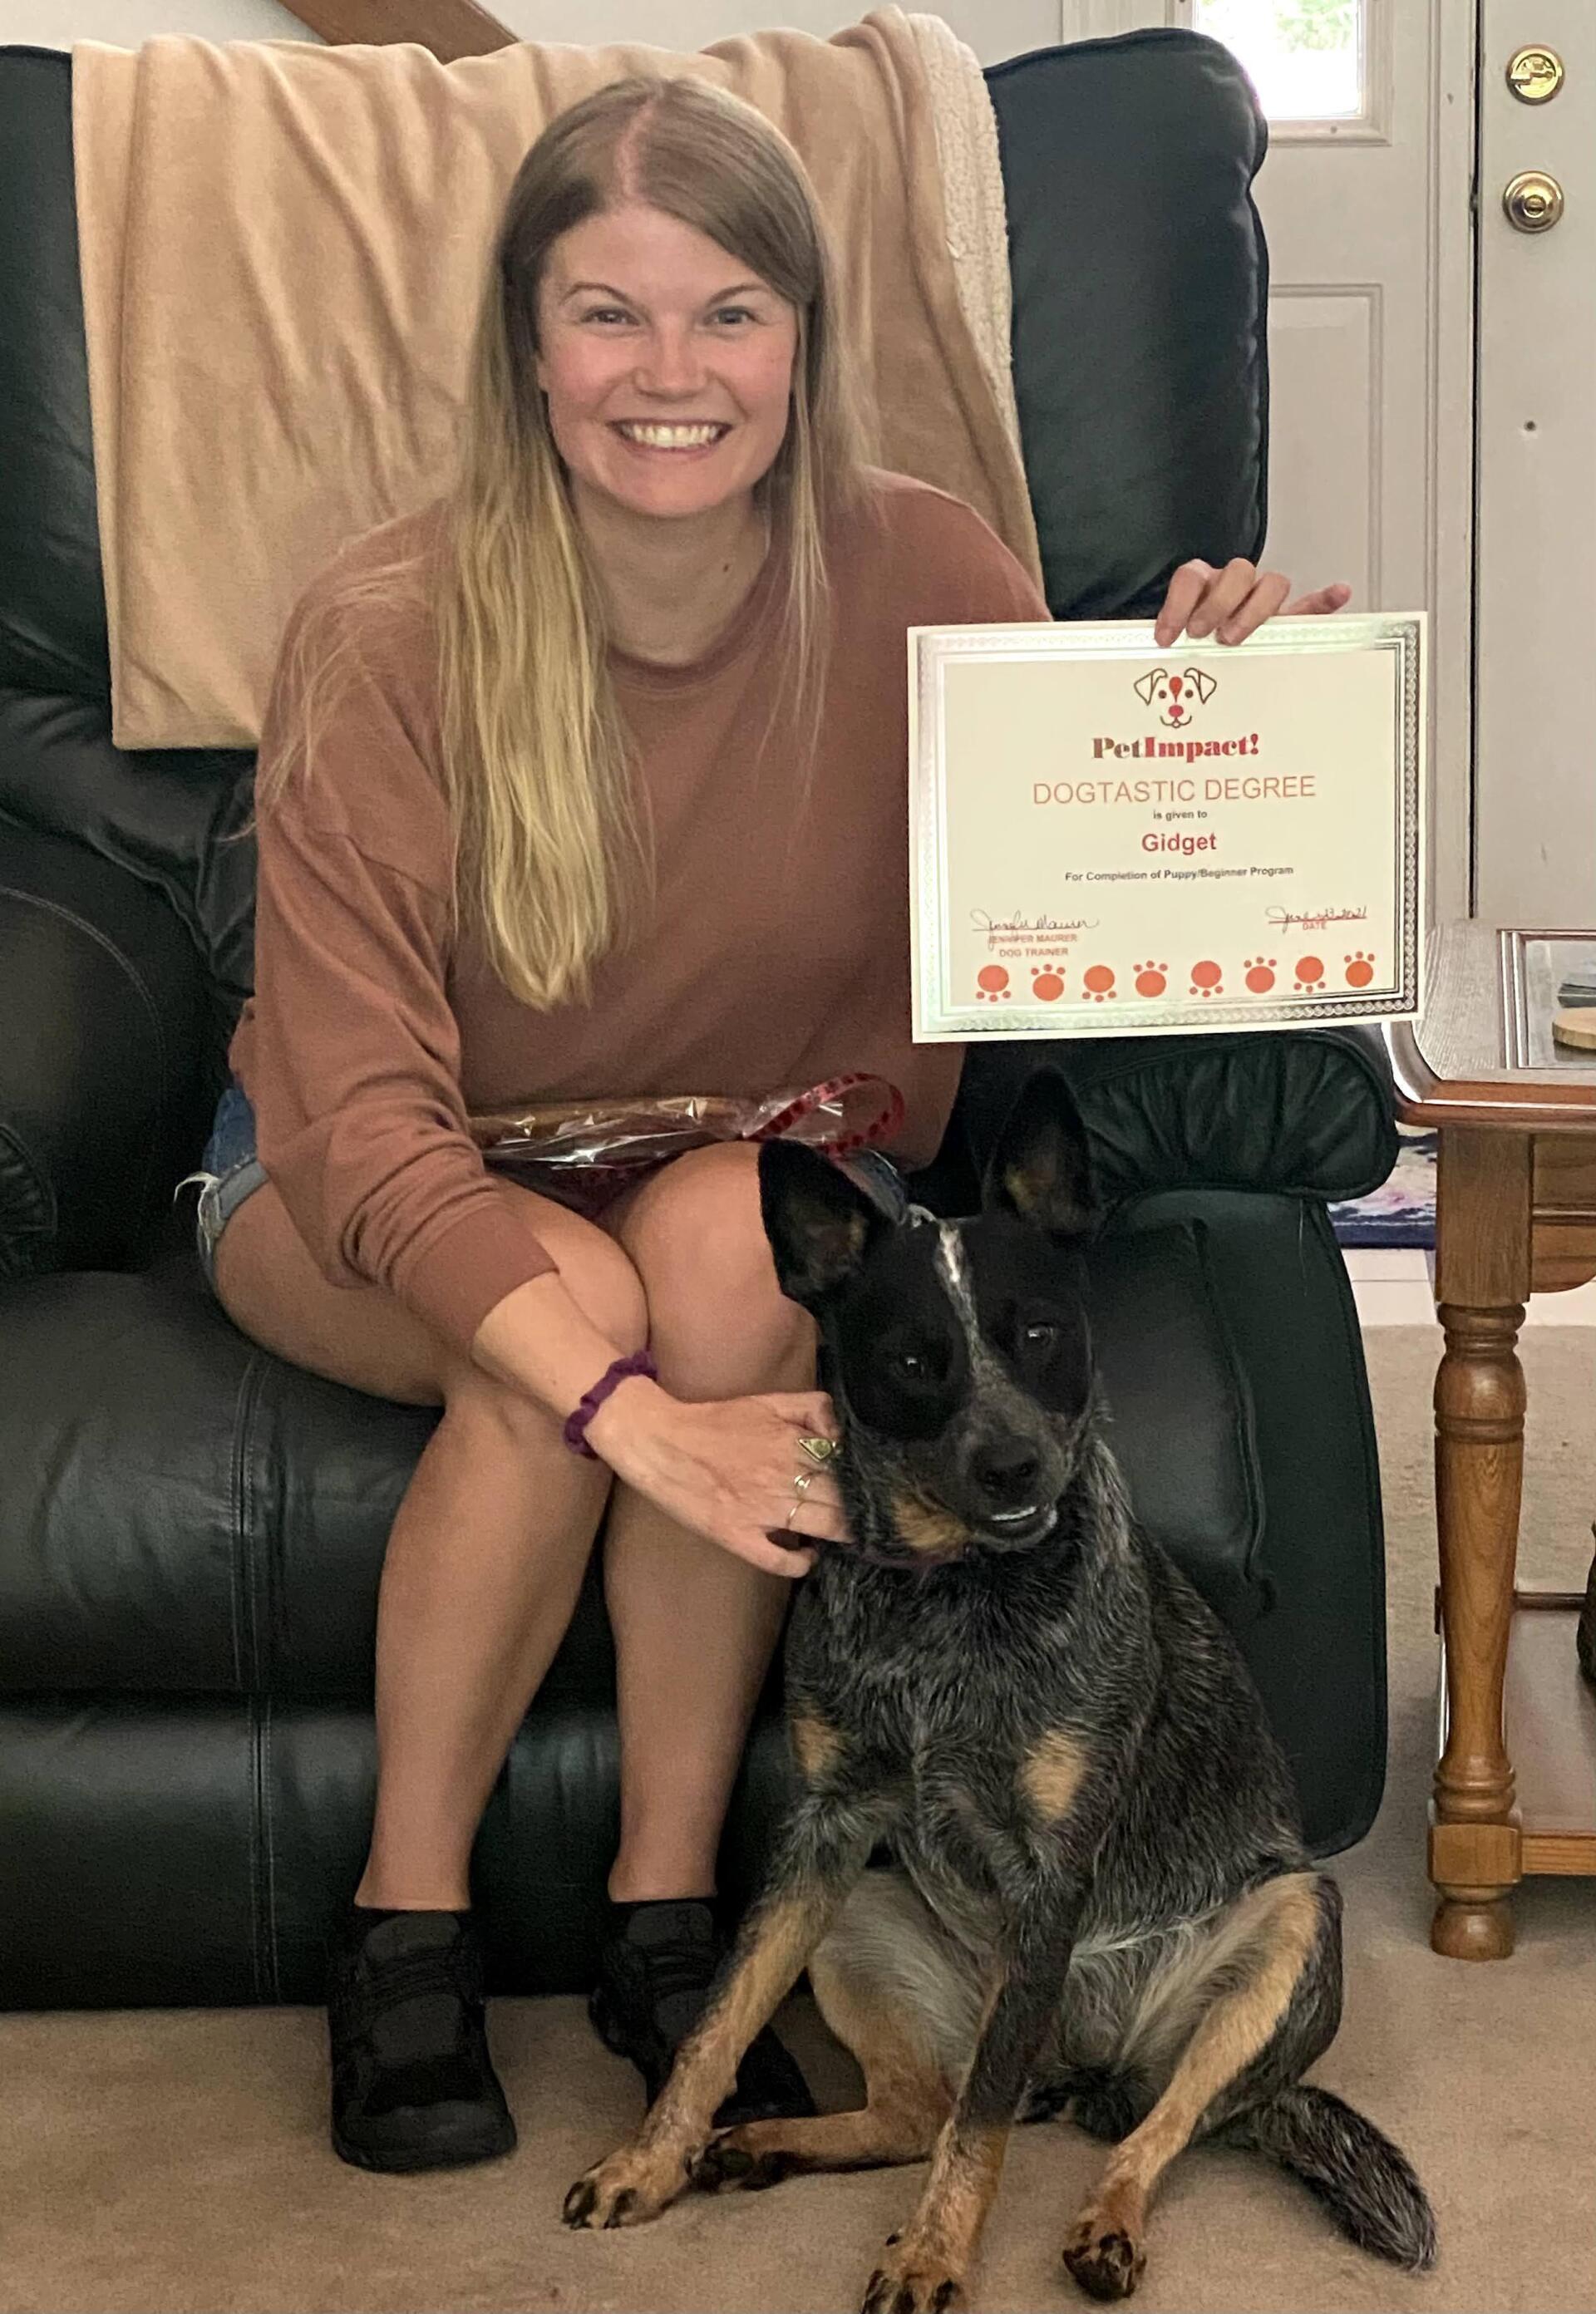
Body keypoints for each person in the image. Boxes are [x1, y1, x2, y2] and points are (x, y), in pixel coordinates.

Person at [179, 72, 1350, 2177]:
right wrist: (624, 1410)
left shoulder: (929, 566)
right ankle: (406, 1925)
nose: (671, 374)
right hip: (386, 1178)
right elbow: (360, 1126)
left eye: (728, 313)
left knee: (725, 1255)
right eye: (609, 314)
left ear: (806, 339)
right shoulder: (387, 627)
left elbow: (1094, 859)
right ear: (526, 347)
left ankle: (663, 1914)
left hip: (742, 1159)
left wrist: (1225, 705)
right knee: (575, 1303)